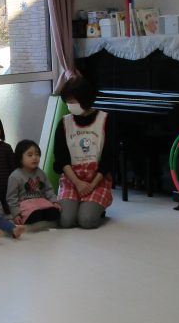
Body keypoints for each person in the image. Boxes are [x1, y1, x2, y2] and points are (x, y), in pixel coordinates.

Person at [53, 76, 114, 229]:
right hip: (71, 180)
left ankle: (95, 208)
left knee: (86, 221)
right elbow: (61, 158)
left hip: (97, 181)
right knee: (65, 221)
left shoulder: (106, 120)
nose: (70, 105)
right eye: (68, 101)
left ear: (85, 99)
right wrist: (78, 183)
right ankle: (81, 205)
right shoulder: (64, 123)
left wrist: (91, 185)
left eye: (73, 101)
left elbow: (110, 157)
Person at [6, 139, 61, 224]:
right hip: (25, 205)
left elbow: (48, 190)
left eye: (37, 154)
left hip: (41, 202)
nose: (34, 158)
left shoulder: (41, 173)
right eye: (30, 155)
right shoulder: (15, 176)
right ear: (20, 158)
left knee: (55, 213)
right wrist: (16, 214)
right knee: (35, 215)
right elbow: (12, 198)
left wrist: (54, 201)